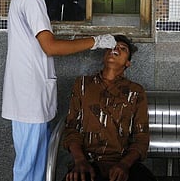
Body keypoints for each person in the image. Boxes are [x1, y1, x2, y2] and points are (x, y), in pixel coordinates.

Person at [1, 0, 117, 181]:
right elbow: (50, 46)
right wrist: (94, 42)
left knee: (35, 166)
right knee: (27, 167)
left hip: (30, 93)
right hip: (28, 95)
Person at [62, 35, 157, 181]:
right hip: (89, 162)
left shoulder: (136, 91)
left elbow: (141, 138)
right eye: (112, 47)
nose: (116, 49)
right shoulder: (82, 84)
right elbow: (71, 128)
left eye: (122, 49)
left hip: (123, 163)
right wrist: (80, 161)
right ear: (104, 56)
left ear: (128, 63)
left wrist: (124, 165)